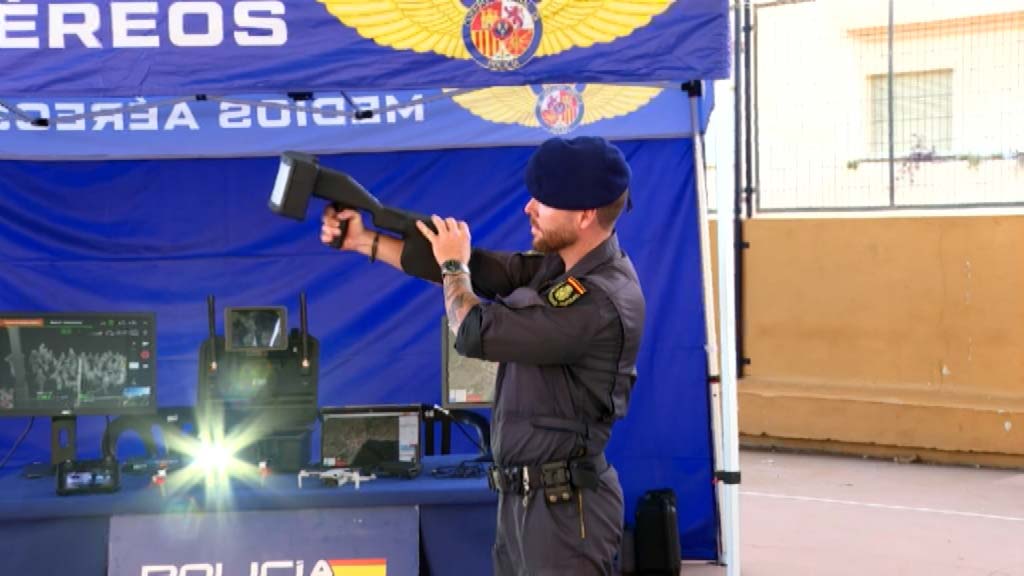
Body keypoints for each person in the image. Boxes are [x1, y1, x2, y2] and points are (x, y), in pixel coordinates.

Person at [320, 136, 645, 576]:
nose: (529, 208)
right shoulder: (562, 266)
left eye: (544, 201)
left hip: (566, 517)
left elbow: (474, 330)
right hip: (525, 505)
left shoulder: (599, 301)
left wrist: (455, 267)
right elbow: (489, 270)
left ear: (585, 215)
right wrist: (366, 239)